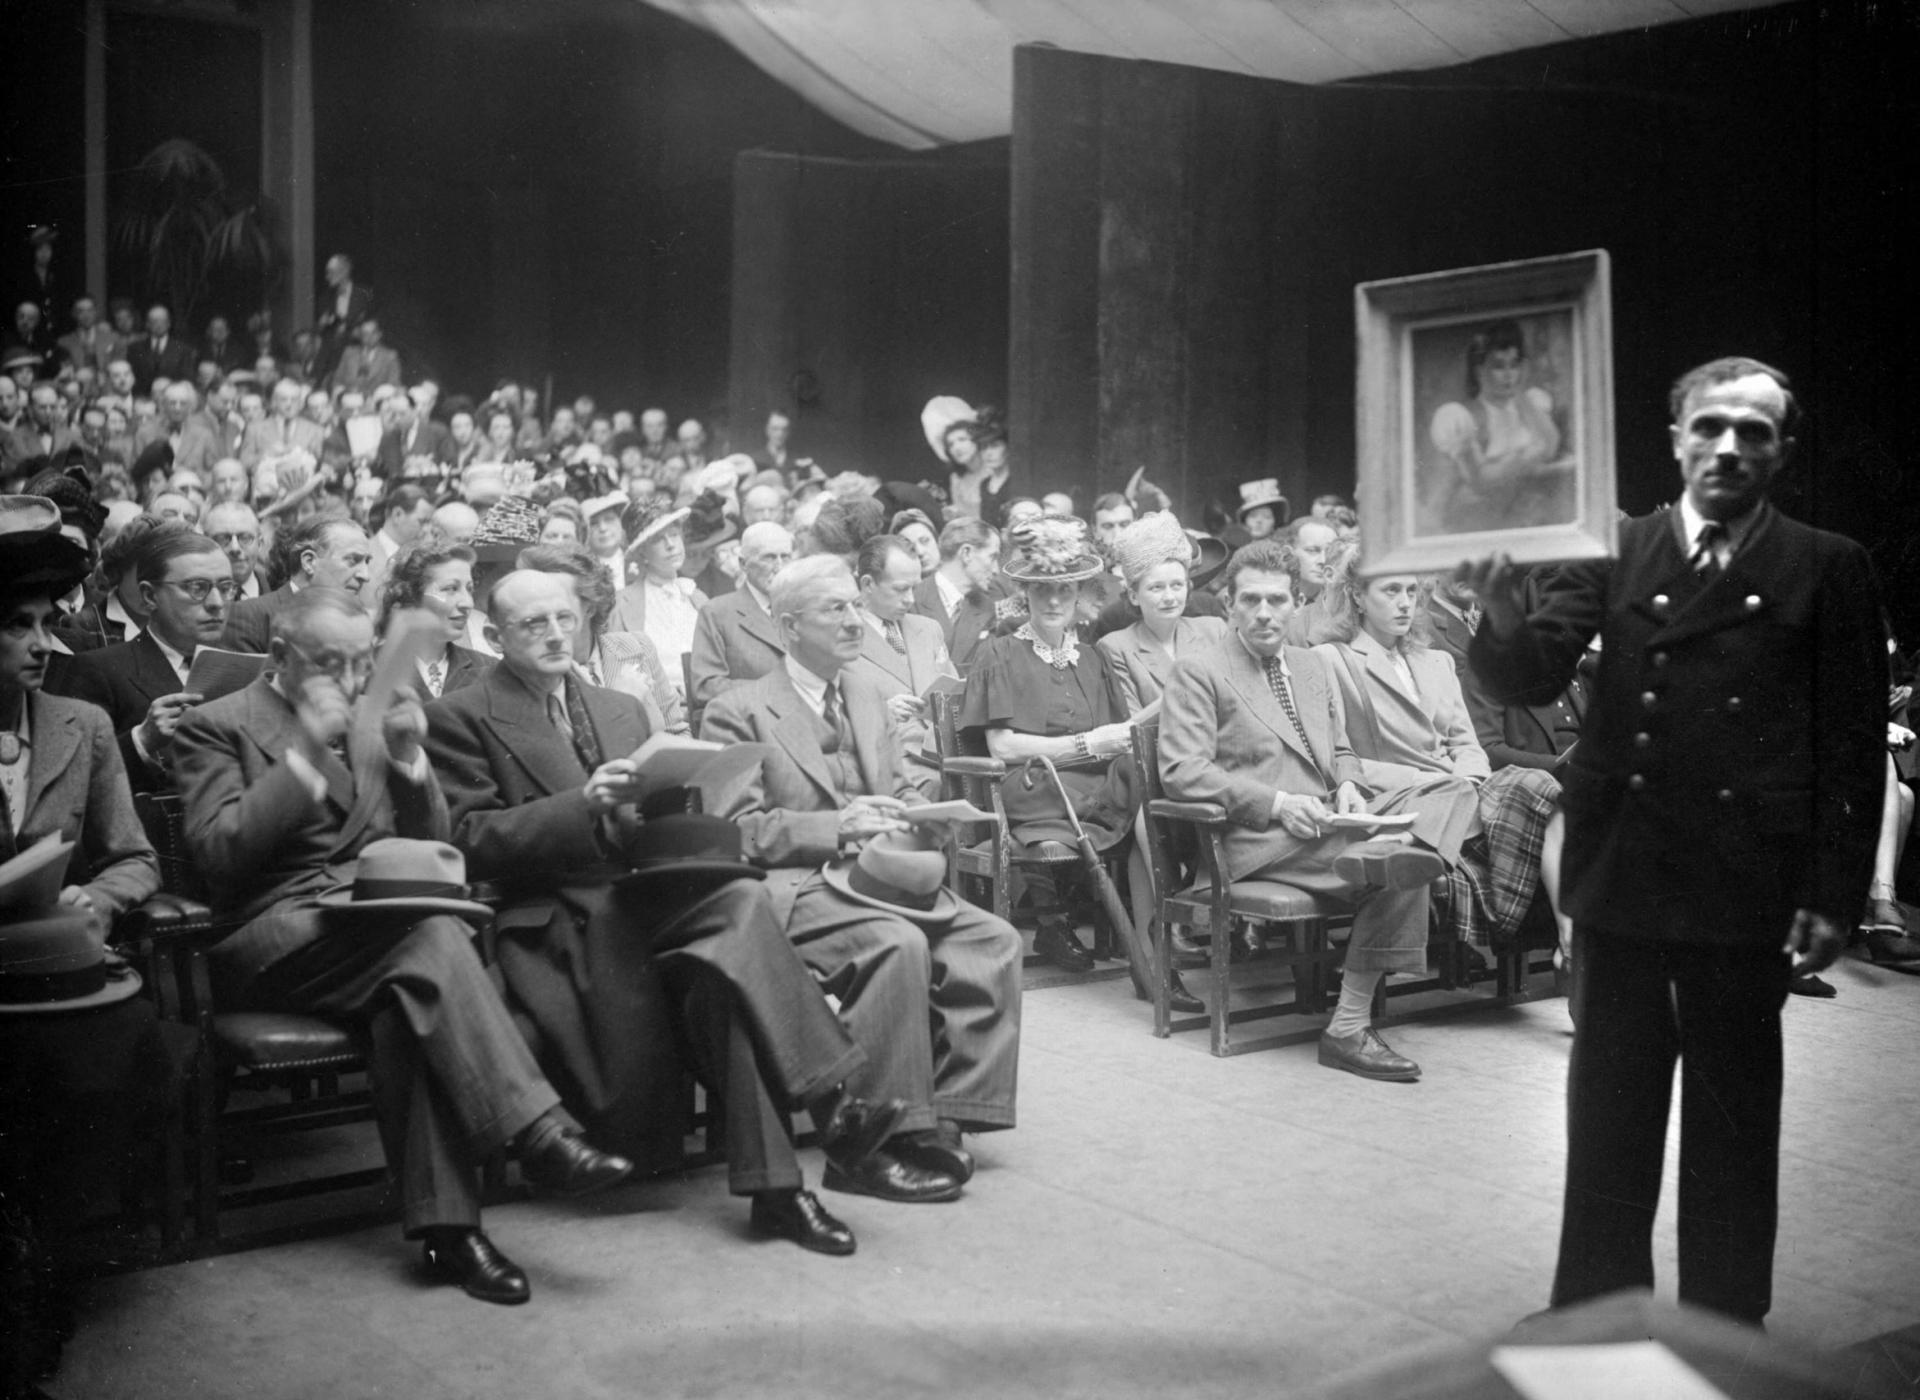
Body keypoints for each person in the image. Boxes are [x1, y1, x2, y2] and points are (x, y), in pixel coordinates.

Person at [1459, 356, 1884, 1325]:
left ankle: (1724, 1327)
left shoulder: (1826, 564)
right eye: (1711, 426)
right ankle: (1594, 1311)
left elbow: (1852, 745)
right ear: (1677, 437)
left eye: (1755, 431)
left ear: (1783, 449)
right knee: (1609, 1109)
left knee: (1736, 1120)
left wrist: (1833, 892)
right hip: (1625, 874)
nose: (1729, 446)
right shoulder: (1615, 547)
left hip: (1747, 882)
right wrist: (1497, 607)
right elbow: (1529, 672)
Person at [172, 587, 633, 1304]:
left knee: (410, 998)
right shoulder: (215, 726)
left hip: (381, 927)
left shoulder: (371, 717)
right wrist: (302, 759)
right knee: (429, 938)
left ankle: (454, 1235)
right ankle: (539, 1132)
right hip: (275, 936)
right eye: (331, 663)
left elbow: (434, 846)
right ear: (281, 657)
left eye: (363, 662)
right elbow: (218, 856)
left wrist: (412, 762)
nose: (353, 680)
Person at [424, 569, 904, 1256]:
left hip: (642, 889)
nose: (558, 634)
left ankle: (795, 1167)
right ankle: (818, 1132)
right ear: (494, 636)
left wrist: (690, 790)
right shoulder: (462, 716)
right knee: (728, 970)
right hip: (555, 915)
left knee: (736, 906)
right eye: (534, 625)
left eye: (566, 618)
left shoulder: (620, 707)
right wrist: (579, 805)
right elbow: (467, 840)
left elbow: (657, 818)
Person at [702, 556, 1023, 1203]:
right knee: (895, 943)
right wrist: (836, 826)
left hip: (882, 873)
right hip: (795, 884)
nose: (857, 620)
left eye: (856, 605)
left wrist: (923, 815)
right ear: (790, 626)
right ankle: (868, 1148)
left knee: (992, 940)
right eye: (837, 610)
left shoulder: (873, 693)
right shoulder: (736, 709)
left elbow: (907, 786)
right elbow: (737, 831)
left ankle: (945, 1118)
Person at [1159, 539, 1477, 1081]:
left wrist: (1350, 783)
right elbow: (1183, 772)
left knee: (1458, 790)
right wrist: (1279, 804)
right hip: (1257, 838)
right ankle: (1348, 1027)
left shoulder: (1309, 665)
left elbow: (1343, 750)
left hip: (1332, 821)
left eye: (1278, 601)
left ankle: (1389, 854)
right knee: (1405, 868)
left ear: (1295, 602)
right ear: (1229, 605)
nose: (1265, 613)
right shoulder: (1199, 670)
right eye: (1252, 600)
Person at [1312, 554, 1562, 955]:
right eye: (1391, 590)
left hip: (1462, 790)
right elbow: (1339, 756)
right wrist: (1431, 781)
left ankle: (1556, 934)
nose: (1405, 602)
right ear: (1358, 596)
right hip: (1400, 796)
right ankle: (1540, 933)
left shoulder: (1437, 661)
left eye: (1411, 591)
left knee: (1541, 784)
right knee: (1536, 802)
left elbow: (1467, 745)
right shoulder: (1332, 659)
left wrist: (1469, 780)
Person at [958, 515, 1145, 977]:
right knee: (1064, 789)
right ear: (1026, 595)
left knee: (1147, 780)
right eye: (1043, 590)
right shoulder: (998, 652)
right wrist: (1085, 742)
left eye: (1065, 589)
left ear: (1080, 594)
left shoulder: (1092, 655)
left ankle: (1150, 932)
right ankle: (1054, 919)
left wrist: (1113, 740)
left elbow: (1113, 730)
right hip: (1031, 781)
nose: (1054, 599)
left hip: (1092, 780)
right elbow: (1000, 746)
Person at [53, 529, 236, 794]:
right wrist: (142, 740)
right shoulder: (97, 670)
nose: (217, 603)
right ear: (149, 596)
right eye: (198, 588)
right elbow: (70, 785)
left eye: (226, 587)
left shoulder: (244, 668)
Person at [515, 542, 686, 737]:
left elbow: (678, 731)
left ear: (590, 605)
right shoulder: (535, 672)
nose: (543, 611)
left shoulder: (636, 647)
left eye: (557, 600)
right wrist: (621, 703)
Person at [1426, 319, 1573, 533]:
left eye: (1514, 365)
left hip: (1528, 515)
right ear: (1479, 369)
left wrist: (1520, 393)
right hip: (1480, 520)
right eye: (1498, 366)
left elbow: (1550, 445)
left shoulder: (1531, 403)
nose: (1509, 374)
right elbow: (1480, 481)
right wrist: (1528, 460)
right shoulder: (1462, 416)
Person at [845, 534, 956, 794]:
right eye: (900, 589)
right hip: (885, 760)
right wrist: (881, 712)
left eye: (914, 588)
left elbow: (956, 691)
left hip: (945, 755)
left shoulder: (928, 629)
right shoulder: (841, 638)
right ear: (868, 583)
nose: (910, 599)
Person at [1097, 511, 1228, 720]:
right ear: (1133, 596)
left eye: (1177, 585)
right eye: (1156, 588)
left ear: (1188, 587)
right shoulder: (1116, 648)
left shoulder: (1215, 630)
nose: (1169, 597)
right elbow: (1132, 726)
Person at [222, 513, 373, 653]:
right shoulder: (249, 618)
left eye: (367, 562)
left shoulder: (357, 621)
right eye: (353, 560)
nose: (366, 576)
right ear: (309, 562)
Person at [687, 520, 791, 713]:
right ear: (743, 564)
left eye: (785, 557)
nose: (779, 567)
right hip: (754, 723)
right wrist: (772, 691)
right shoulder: (717, 613)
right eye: (769, 558)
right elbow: (705, 686)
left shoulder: (803, 607)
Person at [607, 499, 706, 700]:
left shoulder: (697, 598)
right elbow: (616, 673)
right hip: (654, 708)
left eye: (674, 535)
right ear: (641, 552)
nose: (671, 545)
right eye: (658, 539)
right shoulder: (621, 605)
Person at [380, 538, 492, 700]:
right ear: (412, 595)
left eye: (469, 589)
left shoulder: (487, 669)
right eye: (450, 589)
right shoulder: (373, 667)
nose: (467, 603)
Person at [912, 517, 1002, 678]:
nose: (996, 570)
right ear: (966, 553)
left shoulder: (987, 607)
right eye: (992, 557)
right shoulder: (912, 601)